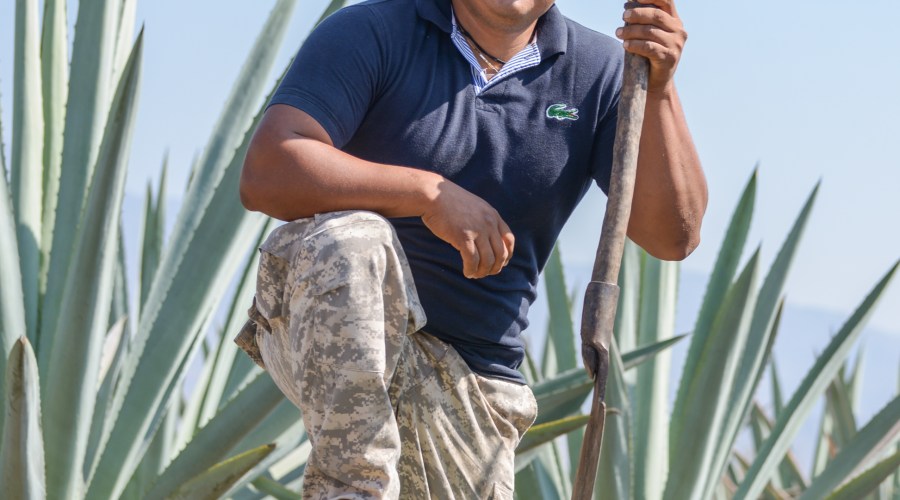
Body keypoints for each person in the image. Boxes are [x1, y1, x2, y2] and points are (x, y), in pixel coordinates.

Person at [235, 0, 707, 497]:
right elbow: (268, 171)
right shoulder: (373, 31)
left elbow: (673, 236)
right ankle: (350, 488)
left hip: (472, 379)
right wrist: (425, 194)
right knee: (351, 241)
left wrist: (657, 88)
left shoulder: (599, 72)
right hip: (335, 328)